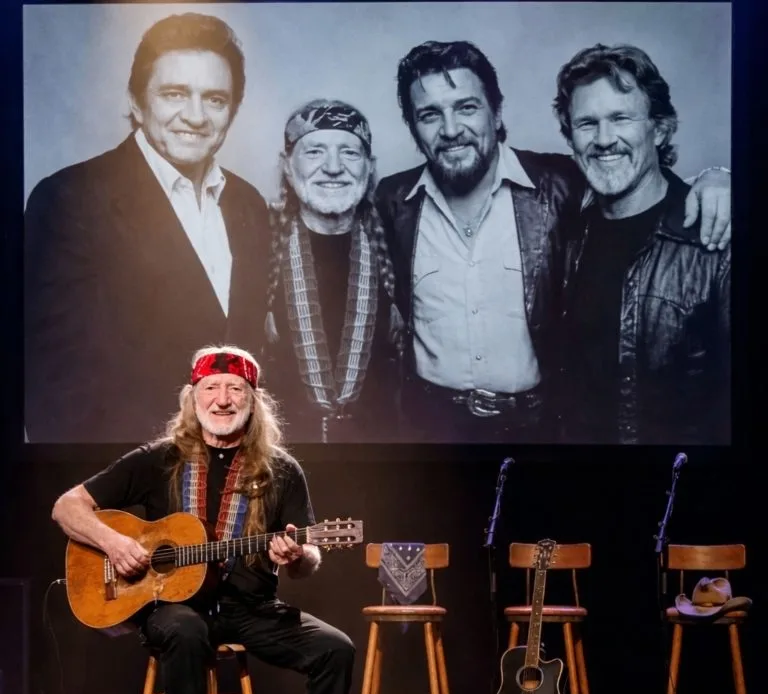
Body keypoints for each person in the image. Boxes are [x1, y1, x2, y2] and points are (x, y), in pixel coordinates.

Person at [375, 40, 731, 444]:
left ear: (496, 111)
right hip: (434, 427)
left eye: (467, 107)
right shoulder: (391, 201)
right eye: (429, 115)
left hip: (541, 429)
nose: (452, 129)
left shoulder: (558, 186)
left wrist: (720, 177)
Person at [51, 345, 355, 694]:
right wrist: (114, 543)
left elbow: (308, 561)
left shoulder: (281, 471)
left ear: (254, 402)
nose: (223, 399)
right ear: (193, 399)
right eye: (211, 388)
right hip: (171, 607)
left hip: (249, 607)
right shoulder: (159, 459)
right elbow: (66, 507)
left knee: (337, 648)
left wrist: (299, 556)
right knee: (186, 631)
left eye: (236, 389)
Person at [25, 13, 270, 443]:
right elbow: (53, 392)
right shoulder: (68, 198)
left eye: (214, 99)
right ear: (137, 102)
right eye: (175, 93)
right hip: (129, 491)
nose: (195, 116)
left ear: (233, 109)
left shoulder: (248, 204)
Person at [554, 43, 730, 445]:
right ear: (570, 136)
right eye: (586, 123)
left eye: (621, 118)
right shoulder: (566, 232)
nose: (603, 139)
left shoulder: (714, 237)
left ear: (660, 127)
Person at [263, 99, 400, 442]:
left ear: (369, 167)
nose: (334, 167)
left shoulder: (400, 244)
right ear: (288, 166)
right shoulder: (256, 247)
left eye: (350, 153)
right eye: (315, 152)